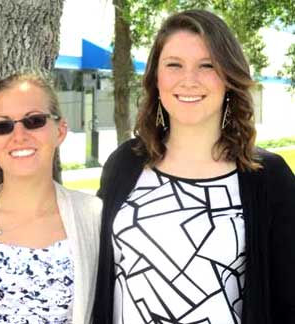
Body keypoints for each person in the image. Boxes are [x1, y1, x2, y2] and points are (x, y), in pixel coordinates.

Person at [92, 9, 295, 324]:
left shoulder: (267, 177)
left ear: (229, 78)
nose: (189, 80)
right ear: (156, 78)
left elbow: (288, 298)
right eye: (174, 65)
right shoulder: (124, 165)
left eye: (207, 66)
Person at [0, 73, 102, 323]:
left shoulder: (93, 216)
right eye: (3, 126)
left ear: (60, 130)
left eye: (34, 121)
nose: (19, 135)